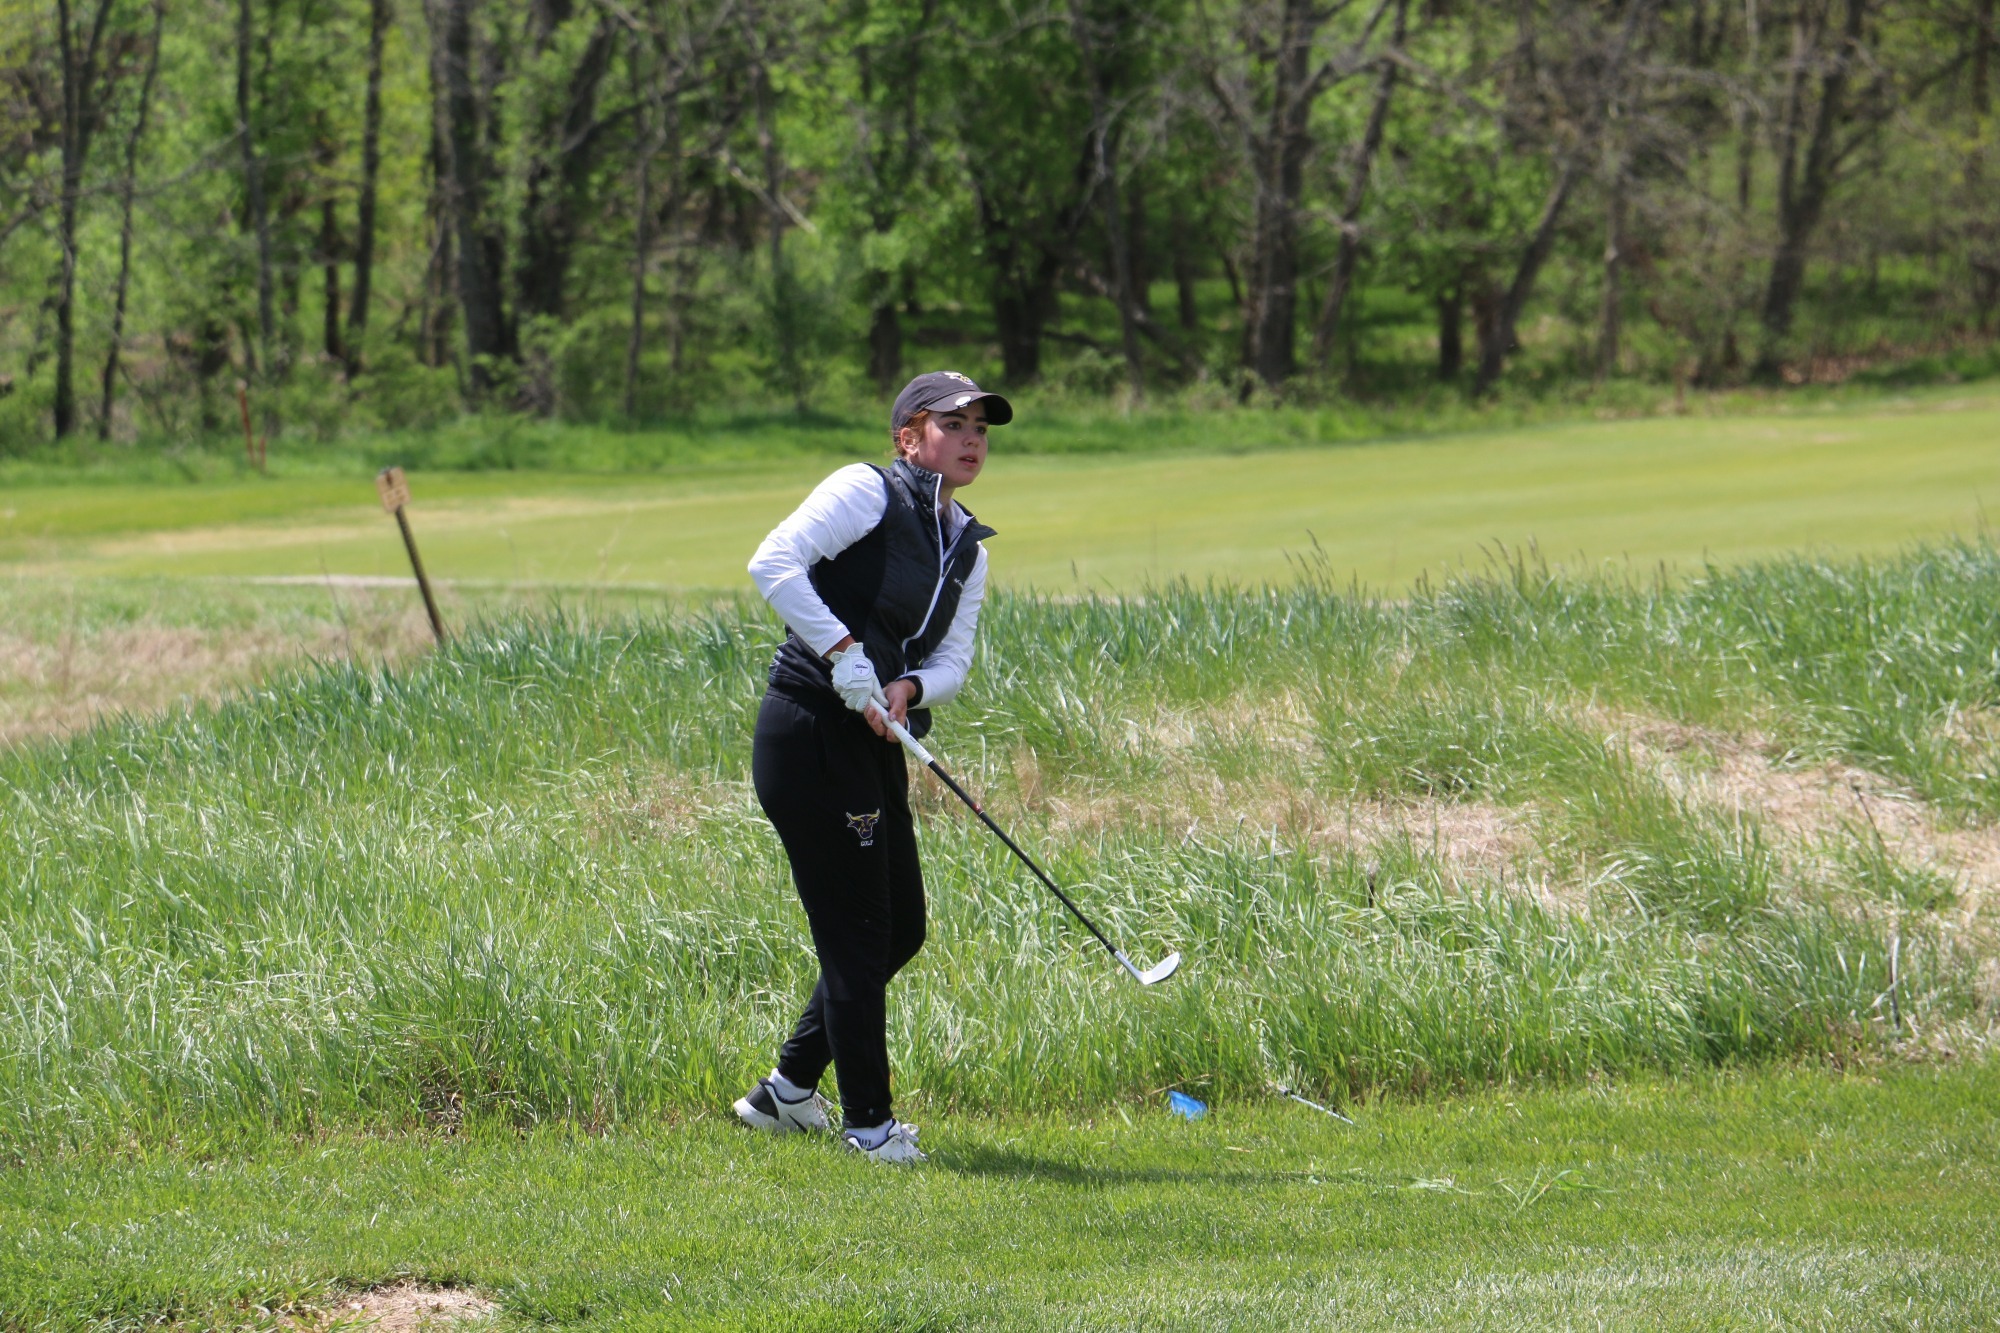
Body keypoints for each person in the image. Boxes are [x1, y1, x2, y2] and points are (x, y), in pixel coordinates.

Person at [734, 370, 1009, 1164]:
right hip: (811, 729)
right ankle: (870, 1125)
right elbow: (773, 561)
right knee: (858, 936)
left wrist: (908, 684)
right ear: (908, 436)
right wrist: (844, 653)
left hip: (872, 734)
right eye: (953, 424)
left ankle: (785, 1092)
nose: (971, 439)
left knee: (901, 929)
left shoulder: (966, 547)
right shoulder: (866, 491)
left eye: (981, 429)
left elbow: (954, 658)